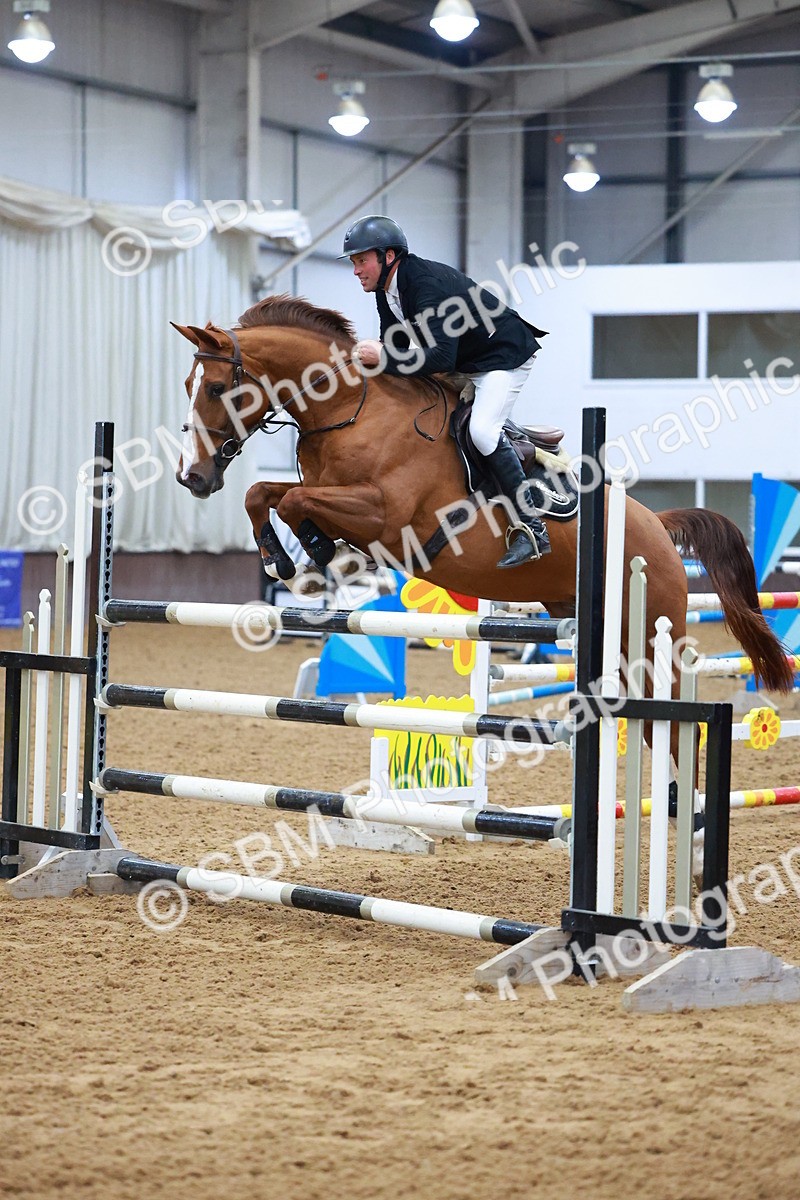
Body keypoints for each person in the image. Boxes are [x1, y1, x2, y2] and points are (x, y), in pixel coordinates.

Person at [341, 214, 550, 568]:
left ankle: (532, 528)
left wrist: (384, 356)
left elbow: (437, 357)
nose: (357, 270)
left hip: (501, 358)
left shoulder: (427, 285)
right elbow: (398, 345)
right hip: (464, 362)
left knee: (482, 433)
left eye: (362, 260)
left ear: (388, 256)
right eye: (354, 262)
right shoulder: (387, 291)